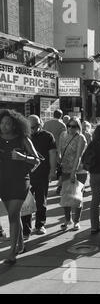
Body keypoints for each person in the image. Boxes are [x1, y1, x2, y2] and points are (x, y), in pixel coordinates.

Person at [0, 110, 40, 265]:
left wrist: (23, 157)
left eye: (8, 123)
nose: (4, 126)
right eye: (2, 123)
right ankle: (21, 244)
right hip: (3, 182)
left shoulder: (23, 140)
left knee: (12, 214)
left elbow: (37, 161)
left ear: (14, 125)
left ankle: (11, 253)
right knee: (14, 216)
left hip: (20, 181)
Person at [21, 115, 57, 238]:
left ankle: (40, 224)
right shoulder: (23, 136)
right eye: (29, 127)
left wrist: (52, 170)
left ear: (40, 124)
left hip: (42, 174)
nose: (32, 129)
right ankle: (26, 230)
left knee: (41, 201)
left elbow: (52, 153)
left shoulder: (47, 136)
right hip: (25, 175)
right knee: (26, 203)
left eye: (34, 127)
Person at [59, 117, 87, 231]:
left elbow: (78, 156)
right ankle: (67, 220)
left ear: (78, 127)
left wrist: (73, 172)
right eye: (69, 126)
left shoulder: (81, 138)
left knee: (76, 197)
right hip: (65, 169)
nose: (71, 128)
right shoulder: (63, 135)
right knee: (65, 195)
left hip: (78, 171)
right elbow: (60, 151)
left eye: (74, 126)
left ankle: (76, 221)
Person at [43, 109, 66, 194]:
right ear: (61, 115)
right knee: (59, 167)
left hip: (45, 148)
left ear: (53, 115)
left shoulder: (46, 123)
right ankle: (59, 186)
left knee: (46, 165)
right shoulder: (62, 125)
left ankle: (46, 181)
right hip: (57, 148)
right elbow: (64, 138)